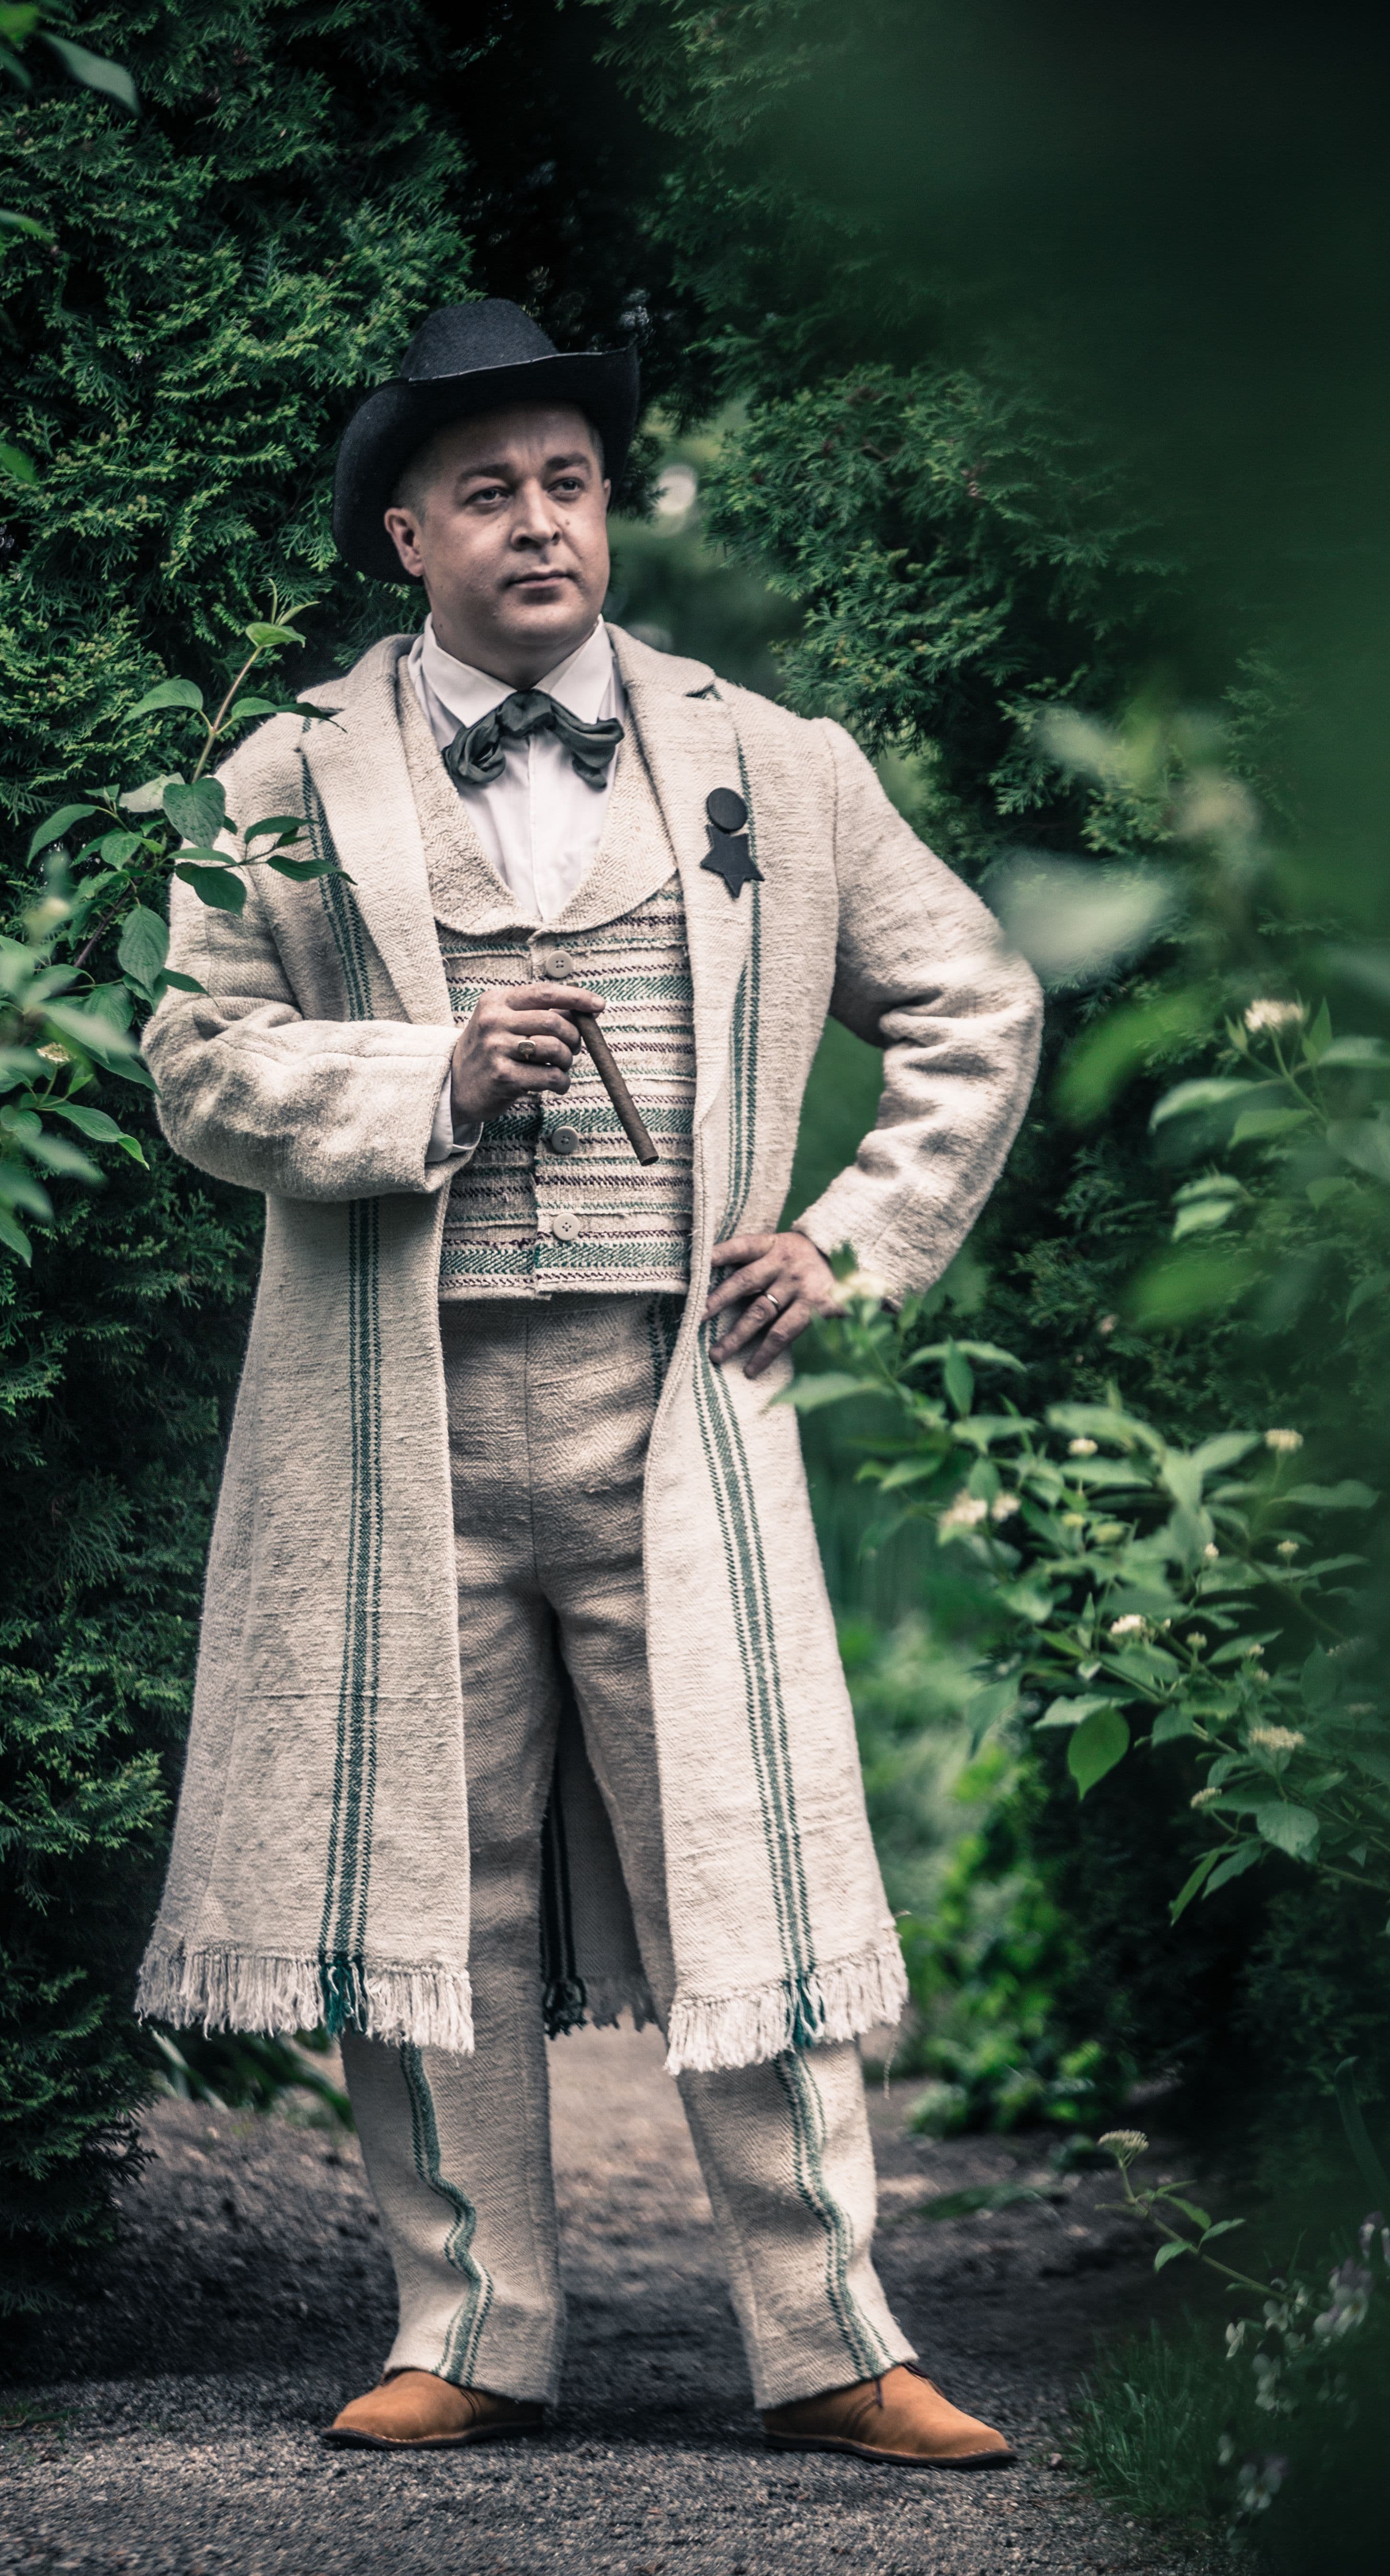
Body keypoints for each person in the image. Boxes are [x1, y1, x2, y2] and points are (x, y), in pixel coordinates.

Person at [137, 299, 1042, 2466]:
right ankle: (467, 2324)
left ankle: (831, 2339)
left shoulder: (780, 762)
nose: (539, 521)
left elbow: (976, 1002)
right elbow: (197, 1062)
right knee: (428, 1879)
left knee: (743, 1858)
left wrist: (849, 1240)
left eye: (568, 482)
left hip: (677, 1403)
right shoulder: (282, 780)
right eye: (487, 492)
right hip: (403, 1417)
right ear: (405, 536)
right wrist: (428, 1075)